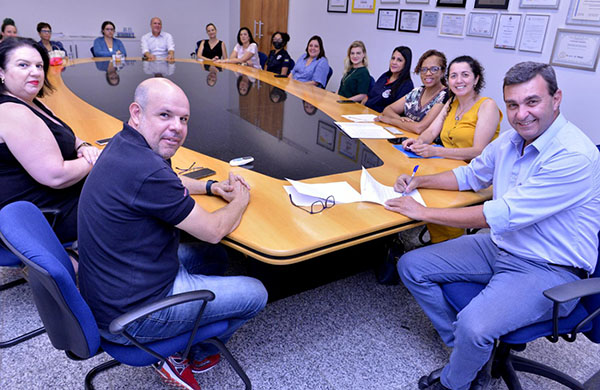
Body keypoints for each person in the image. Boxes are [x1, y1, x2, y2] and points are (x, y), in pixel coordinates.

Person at [389, 61, 600, 390]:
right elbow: (471, 176)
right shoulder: (510, 139)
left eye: (532, 102)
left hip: (549, 267)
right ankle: (468, 350)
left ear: (556, 99)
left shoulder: (574, 155)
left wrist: (422, 213)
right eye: (513, 105)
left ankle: (454, 381)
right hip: (501, 244)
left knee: (476, 326)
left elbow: (499, 213)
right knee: (412, 265)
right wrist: (421, 182)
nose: (521, 114)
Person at [78, 77, 268, 390]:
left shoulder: (125, 145)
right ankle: (186, 354)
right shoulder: (146, 169)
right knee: (256, 292)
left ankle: (178, 339)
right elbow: (214, 230)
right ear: (137, 113)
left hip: (113, 286)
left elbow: (170, 182)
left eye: (183, 119)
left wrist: (210, 186)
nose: (177, 127)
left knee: (214, 259)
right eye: (165, 115)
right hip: (131, 316)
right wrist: (242, 197)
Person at [0, 37, 100, 243]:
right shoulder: (12, 112)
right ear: (1, 72)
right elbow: (57, 176)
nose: (35, 71)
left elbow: (66, 134)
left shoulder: (33, 103)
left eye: (39, 65)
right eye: (23, 65)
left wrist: (83, 146)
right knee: (127, 197)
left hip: (54, 199)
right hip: (42, 216)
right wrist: (94, 160)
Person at [400, 55, 501, 243]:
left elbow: (478, 150)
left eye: (465, 75)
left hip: (475, 177)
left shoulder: (487, 106)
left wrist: (435, 151)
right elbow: (430, 132)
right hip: (444, 168)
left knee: (429, 198)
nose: (459, 80)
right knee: (406, 183)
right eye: (453, 76)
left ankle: (446, 246)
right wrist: (417, 141)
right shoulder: (451, 102)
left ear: (476, 79)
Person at [376, 49, 448, 134]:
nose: (428, 73)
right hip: (404, 138)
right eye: (424, 69)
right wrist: (400, 119)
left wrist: (390, 120)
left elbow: (419, 128)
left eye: (434, 69)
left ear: (443, 72)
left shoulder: (445, 95)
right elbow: (388, 109)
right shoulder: (417, 91)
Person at [362, 46, 413, 113]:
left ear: (406, 64)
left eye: (399, 60)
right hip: (366, 113)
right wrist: (361, 109)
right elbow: (368, 96)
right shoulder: (385, 76)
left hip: (381, 118)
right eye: (393, 58)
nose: (394, 62)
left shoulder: (407, 85)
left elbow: (395, 111)